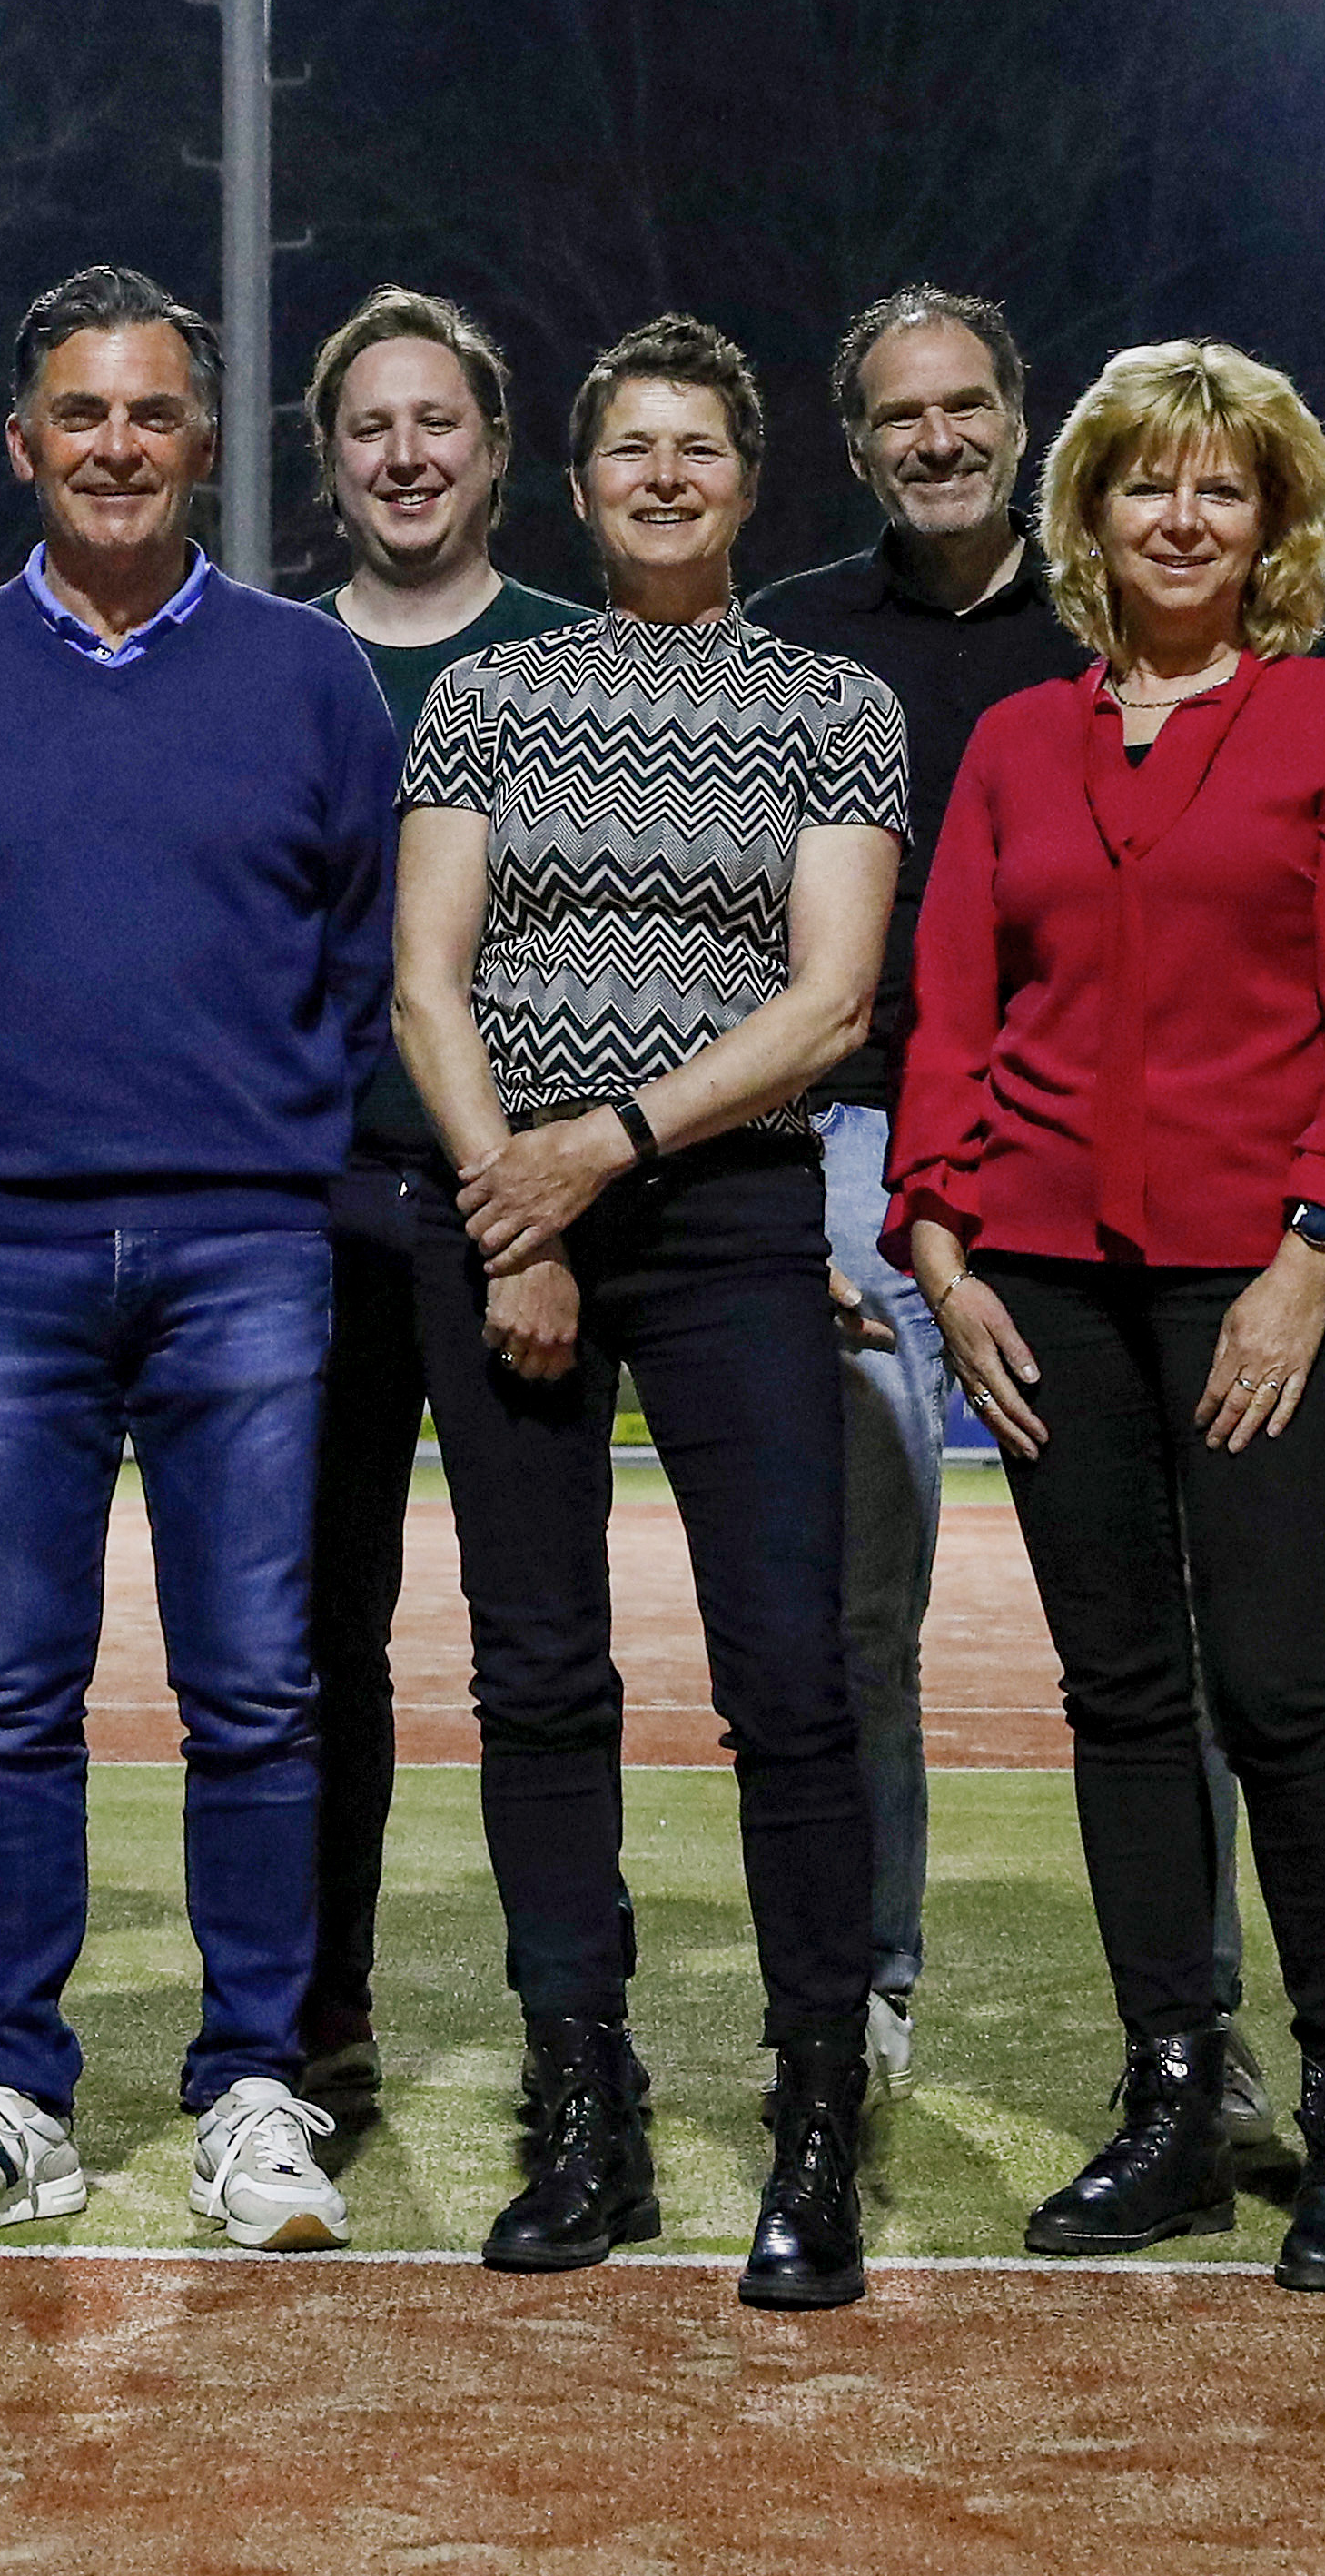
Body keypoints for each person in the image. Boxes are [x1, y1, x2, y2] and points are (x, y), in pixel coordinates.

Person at [0, 264, 395, 2256]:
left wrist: (252, 1126)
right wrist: (2, 1126)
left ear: (205, 439)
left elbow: (353, 956)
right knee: (5, 1690)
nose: (116, 447)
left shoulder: (308, 675)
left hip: (248, 1237)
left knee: (254, 1684)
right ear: (21, 442)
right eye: (79, 413)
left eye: (152, 413)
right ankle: (15, 2088)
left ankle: (252, 2083)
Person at [893, 339, 1325, 2294]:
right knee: (1118, 1695)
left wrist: (1315, 1254)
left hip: (1256, 1280)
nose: (1183, 517)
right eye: (1146, 485)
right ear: (1093, 514)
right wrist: (938, 1241)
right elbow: (949, 1005)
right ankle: (1176, 2101)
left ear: (1272, 519)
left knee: (1276, 1692)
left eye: (1223, 488)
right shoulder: (1020, 746)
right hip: (1040, 1277)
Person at [394, 314, 904, 2308]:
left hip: (728, 1218)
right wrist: (515, 1225)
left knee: (788, 1673)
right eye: (630, 449)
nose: (665, 476)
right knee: (538, 1679)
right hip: (509, 1221)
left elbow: (826, 1003)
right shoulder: (486, 697)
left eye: (699, 445)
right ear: (580, 480)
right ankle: (580, 2103)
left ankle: (807, 2127)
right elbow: (430, 980)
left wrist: (596, 1149)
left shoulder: (831, 704)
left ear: (748, 476)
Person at [747, 286, 1271, 2154]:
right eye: (903, 413)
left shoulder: (1122, 621)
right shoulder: (791, 638)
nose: (939, 436)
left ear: (1020, 412)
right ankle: (869, 1990)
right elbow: (743, 938)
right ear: (860, 437)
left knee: (1165, 1621)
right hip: (840, 1138)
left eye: (968, 402)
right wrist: (764, 1194)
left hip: (1072, 1165)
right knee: (853, 1610)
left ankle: (1198, 2028)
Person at [299, 283, 584, 2122]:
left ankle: (573, 2032)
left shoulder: (577, 658)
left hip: (516, 1211)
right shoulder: (257, 658)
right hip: (307, 1222)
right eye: (367, 427)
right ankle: (315, 2016)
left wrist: (545, 1202)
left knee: (536, 1647)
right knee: (312, 1643)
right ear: (330, 463)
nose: (405, 456)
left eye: (437, 423)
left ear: (493, 447)